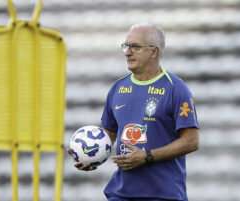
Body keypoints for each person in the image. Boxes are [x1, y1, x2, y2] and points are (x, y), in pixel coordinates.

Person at [68, 23, 199, 201]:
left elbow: (191, 141)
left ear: (154, 51)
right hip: (122, 193)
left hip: (163, 195)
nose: (127, 52)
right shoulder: (118, 87)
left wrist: (147, 156)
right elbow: (109, 133)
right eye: (126, 46)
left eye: (135, 46)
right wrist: (90, 154)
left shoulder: (175, 89)